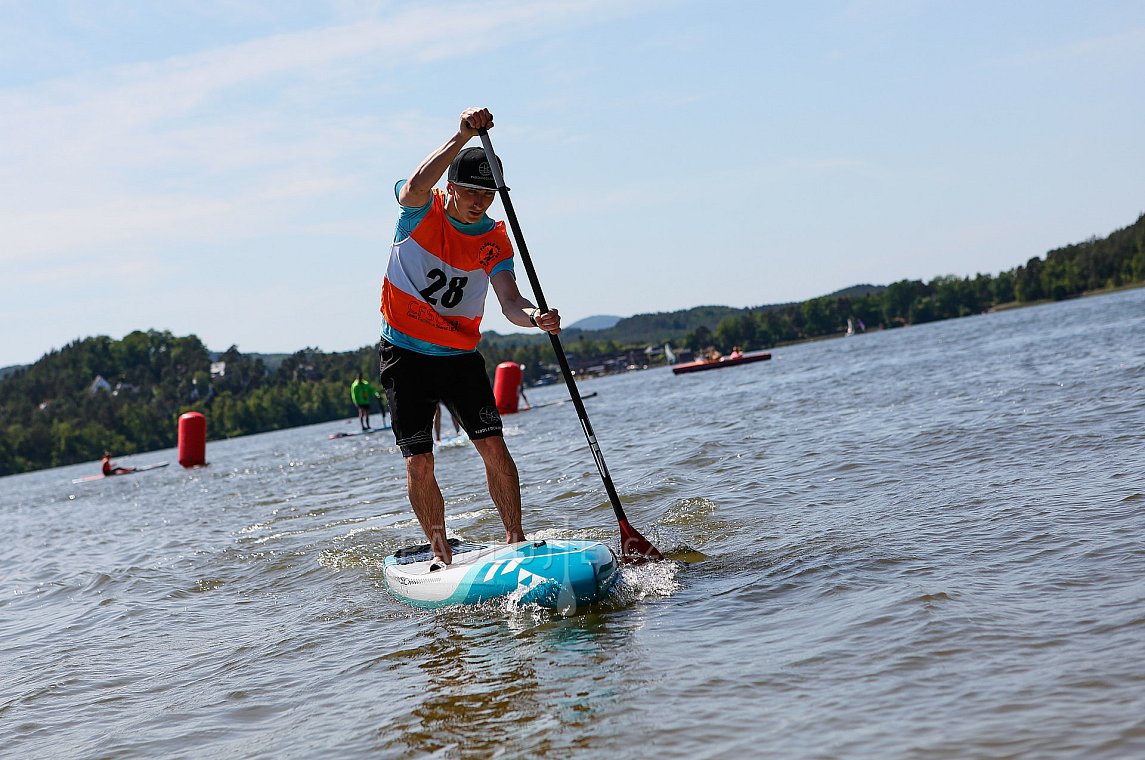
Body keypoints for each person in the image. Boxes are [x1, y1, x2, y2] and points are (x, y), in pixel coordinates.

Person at [377, 106, 561, 570]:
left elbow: (509, 300)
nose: (481, 201)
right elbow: (417, 183)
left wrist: (535, 317)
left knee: (494, 445)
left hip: (460, 357)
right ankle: (440, 551)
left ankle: (516, 538)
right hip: (405, 355)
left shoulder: (496, 239)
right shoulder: (421, 208)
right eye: (473, 192)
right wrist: (460, 137)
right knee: (420, 461)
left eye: (490, 194)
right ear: (452, 188)